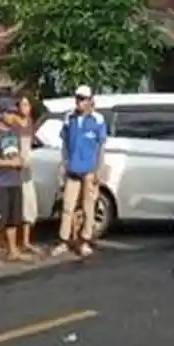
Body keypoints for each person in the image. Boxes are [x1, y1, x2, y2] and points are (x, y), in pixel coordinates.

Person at [51, 86, 108, 258]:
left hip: (89, 170)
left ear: (90, 100)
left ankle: (84, 241)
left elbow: (101, 147)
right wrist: (63, 165)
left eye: (83, 98)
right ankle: (64, 240)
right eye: (77, 98)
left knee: (88, 207)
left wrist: (99, 170)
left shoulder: (98, 120)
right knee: (67, 206)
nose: (79, 102)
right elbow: (64, 145)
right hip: (72, 169)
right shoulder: (70, 118)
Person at [0, 97, 29, 265]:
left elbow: (16, 153)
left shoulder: (14, 132)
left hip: (14, 181)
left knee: (13, 219)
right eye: (9, 112)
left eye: (14, 112)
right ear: (0, 113)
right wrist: (9, 163)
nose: (12, 116)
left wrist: (20, 161)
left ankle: (13, 250)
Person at [17, 94, 42, 256]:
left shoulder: (30, 123)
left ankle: (26, 241)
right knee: (16, 206)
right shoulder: (14, 124)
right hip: (15, 169)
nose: (25, 108)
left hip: (27, 168)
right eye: (23, 104)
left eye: (28, 105)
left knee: (29, 205)